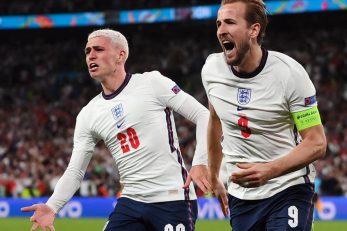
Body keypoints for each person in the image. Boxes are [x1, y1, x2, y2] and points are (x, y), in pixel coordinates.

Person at [21, 28, 211, 231]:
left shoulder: (152, 83)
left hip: (172, 198)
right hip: (131, 201)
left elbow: (204, 116)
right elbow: (76, 171)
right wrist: (52, 206)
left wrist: (200, 162)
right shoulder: (88, 114)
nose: (91, 56)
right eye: (87, 51)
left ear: (121, 55)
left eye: (98, 49)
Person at [202, 0, 327, 230]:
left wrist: (270, 170)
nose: (221, 30)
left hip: (288, 188)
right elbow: (215, 120)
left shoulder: (289, 74)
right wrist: (213, 175)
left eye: (230, 22)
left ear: (254, 29)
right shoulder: (211, 70)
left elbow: (317, 143)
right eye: (219, 23)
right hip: (242, 196)